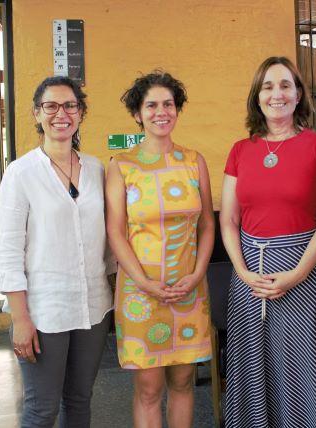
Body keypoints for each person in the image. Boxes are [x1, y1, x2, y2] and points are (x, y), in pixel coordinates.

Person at [221, 56, 316, 428]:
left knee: (303, 366)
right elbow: (229, 219)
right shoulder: (240, 150)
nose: (276, 94)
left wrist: (296, 274)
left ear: (299, 95)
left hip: (307, 274)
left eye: (285, 85)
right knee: (253, 363)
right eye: (267, 86)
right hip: (250, 278)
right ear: (257, 96)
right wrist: (242, 271)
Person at [0, 76, 114, 428]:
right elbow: (8, 251)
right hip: (44, 309)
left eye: (70, 105)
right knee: (41, 409)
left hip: (93, 306)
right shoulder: (21, 173)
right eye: (51, 105)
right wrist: (20, 320)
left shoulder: (96, 169)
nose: (60, 113)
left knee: (79, 401)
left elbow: (107, 242)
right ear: (37, 113)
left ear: (80, 113)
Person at [106, 71, 214, 428]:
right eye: (151, 105)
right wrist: (144, 282)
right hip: (141, 292)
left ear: (177, 110)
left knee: (183, 383)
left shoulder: (193, 161)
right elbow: (116, 232)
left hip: (188, 289)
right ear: (138, 113)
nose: (160, 111)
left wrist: (197, 274)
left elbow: (207, 224)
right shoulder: (123, 166)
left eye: (168, 104)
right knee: (149, 388)